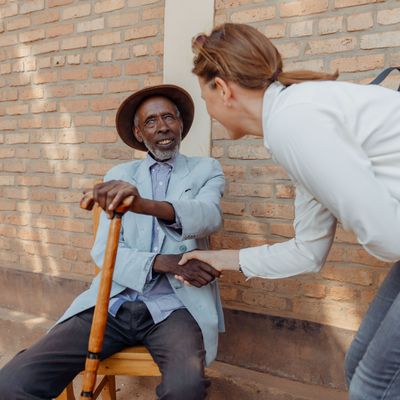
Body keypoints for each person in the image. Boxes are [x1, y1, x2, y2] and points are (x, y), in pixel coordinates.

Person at [179, 22, 400, 400]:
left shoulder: (293, 121)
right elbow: (309, 251)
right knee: (358, 366)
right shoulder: (293, 117)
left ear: (222, 89)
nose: (208, 111)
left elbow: (389, 238)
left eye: (204, 99)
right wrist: (218, 259)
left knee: (373, 388)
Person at [0, 84, 225, 400]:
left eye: (169, 117)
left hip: (176, 306)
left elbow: (208, 216)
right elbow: (105, 252)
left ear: (181, 125)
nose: (162, 126)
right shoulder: (120, 174)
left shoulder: (206, 169)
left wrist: (142, 204)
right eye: (150, 121)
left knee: (185, 390)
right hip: (113, 302)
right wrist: (165, 262)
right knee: (12, 382)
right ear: (138, 131)